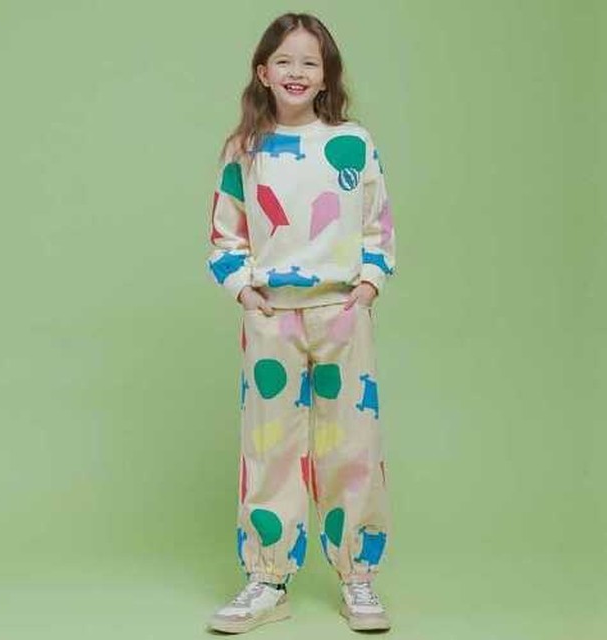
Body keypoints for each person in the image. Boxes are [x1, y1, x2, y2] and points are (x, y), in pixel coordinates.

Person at [205, 11, 397, 634]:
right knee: (270, 448)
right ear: (263, 72)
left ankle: (358, 576)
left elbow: (377, 223)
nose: (296, 71)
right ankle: (267, 579)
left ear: (326, 75)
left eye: (309, 62)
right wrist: (243, 292)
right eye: (284, 61)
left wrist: (367, 286)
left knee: (353, 446)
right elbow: (226, 233)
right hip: (273, 318)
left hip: (342, 313)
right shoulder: (245, 150)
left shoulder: (353, 142)